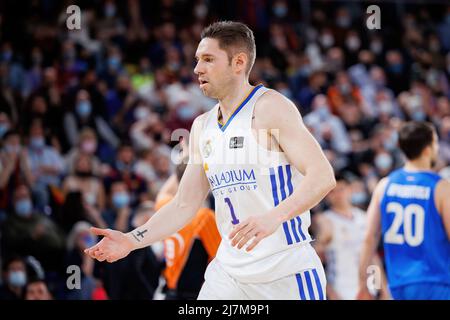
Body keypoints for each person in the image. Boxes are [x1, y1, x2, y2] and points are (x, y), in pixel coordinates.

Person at [85, 21, 336, 300]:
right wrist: (131, 240)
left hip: (284, 271)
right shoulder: (202, 127)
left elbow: (322, 176)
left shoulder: (269, 108)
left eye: (208, 59)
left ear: (238, 62)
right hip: (228, 274)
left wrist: (274, 217)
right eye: (196, 60)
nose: (197, 69)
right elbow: (184, 204)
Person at [358, 121, 450, 300]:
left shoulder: (384, 185)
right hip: (437, 282)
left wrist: (363, 283)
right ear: (428, 149)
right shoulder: (440, 187)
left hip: (399, 286)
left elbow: (369, 238)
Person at [313, 174, 388, 300]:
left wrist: (383, 289)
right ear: (327, 196)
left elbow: (373, 257)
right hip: (341, 289)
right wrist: (330, 292)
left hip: (368, 288)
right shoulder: (325, 220)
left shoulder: (363, 217)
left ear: (350, 189)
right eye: (332, 192)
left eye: (341, 189)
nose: (338, 194)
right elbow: (316, 260)